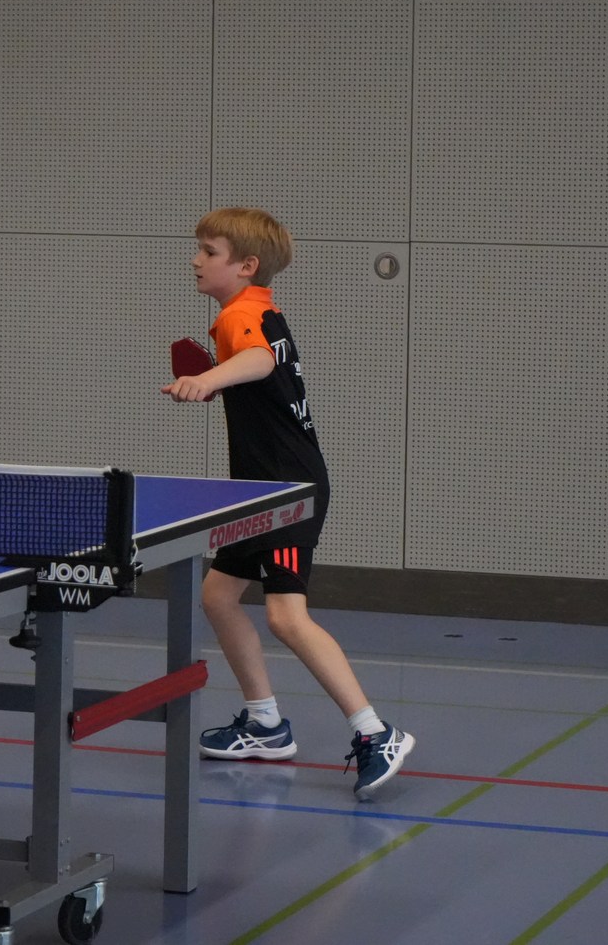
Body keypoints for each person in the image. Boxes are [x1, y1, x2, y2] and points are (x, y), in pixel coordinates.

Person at [161, 207, 414, 801]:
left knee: (285, 617)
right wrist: (219, 378)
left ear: (246, 265)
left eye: (209, 252)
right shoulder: (257, 309)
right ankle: (265, 723)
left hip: (287, 492)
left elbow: (259, 361)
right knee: (218, 596)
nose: (196, 260)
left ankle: (376, 732)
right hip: (258, 489)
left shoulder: (241, 315)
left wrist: (211, 379)